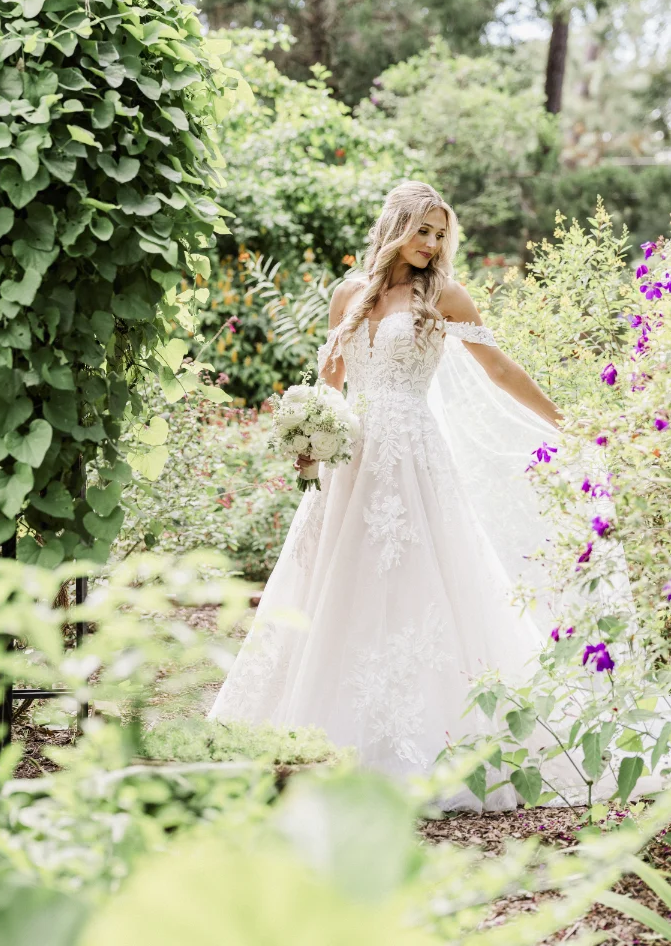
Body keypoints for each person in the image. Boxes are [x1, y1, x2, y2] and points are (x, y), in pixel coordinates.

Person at [208, 181, 579, 808]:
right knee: (335, 578)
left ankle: (426, 744)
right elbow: (331, 381)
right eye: (423, 231)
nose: (433, 246)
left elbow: (500, 369)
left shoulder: (446, 297)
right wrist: (310, 435)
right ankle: (310, 737)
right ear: (395, 227)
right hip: (350, 457)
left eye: (441, 234)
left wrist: (566, 424)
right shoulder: (347, 294)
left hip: (412, 456)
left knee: (415, 576)